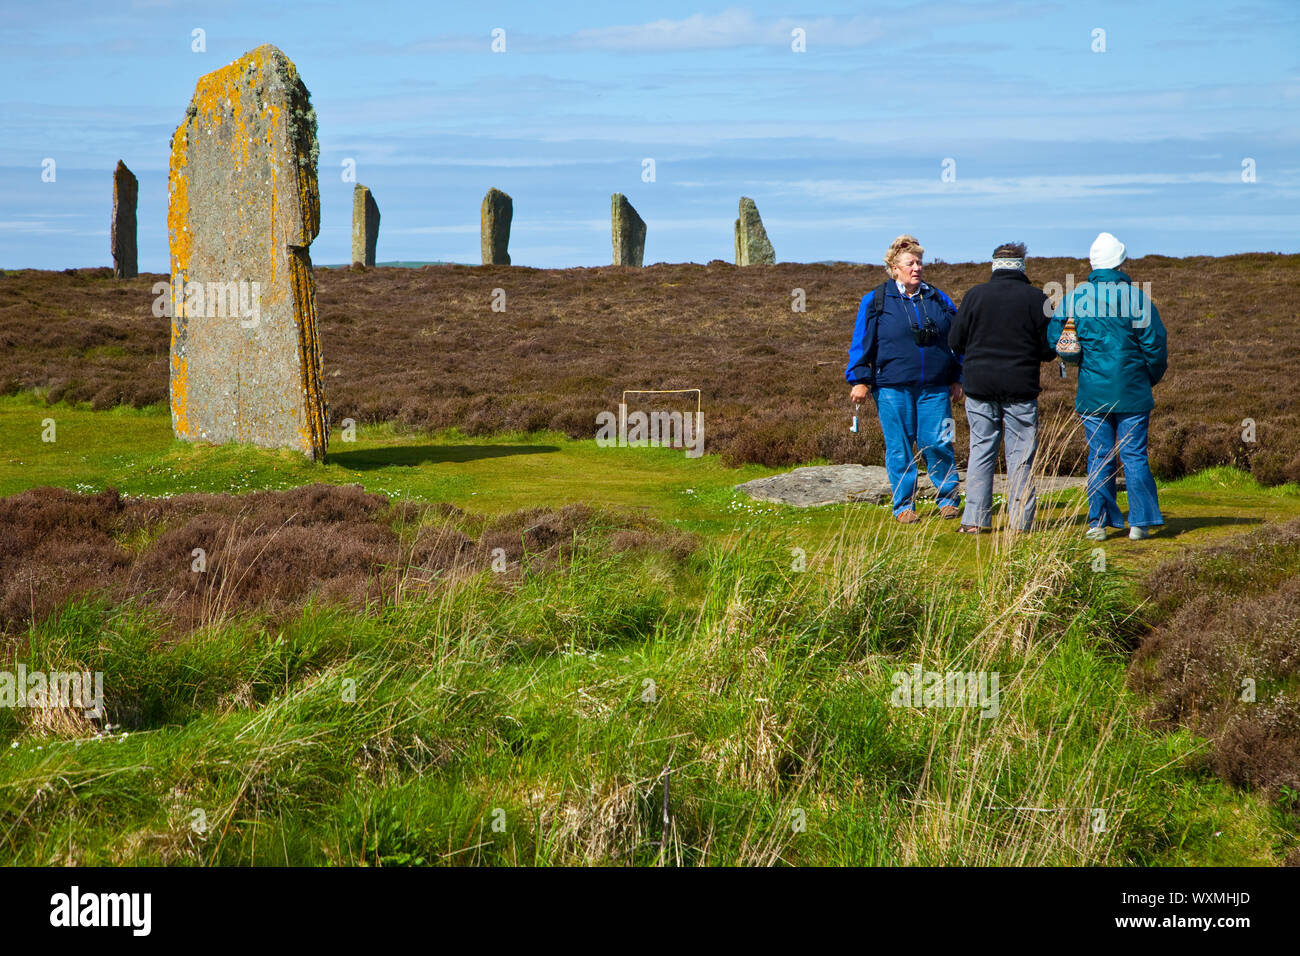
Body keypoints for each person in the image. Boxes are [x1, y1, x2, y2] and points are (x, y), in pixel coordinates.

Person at [1047, 232, 1168, 541]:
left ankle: (1097, 523)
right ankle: (1140, 523)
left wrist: (1077, 360)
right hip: (1132, 390)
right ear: (1120, 262)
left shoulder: (1075, 297)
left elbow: (1055, 338)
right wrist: (1148, 378)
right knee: (1135, 456)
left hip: (1092, 391)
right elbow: (1155, 346)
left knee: (1100, 456)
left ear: (1093, 263)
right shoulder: (1137, 298)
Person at [846, 234, 963, 523]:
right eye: (910, 263)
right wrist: (860, 380)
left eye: (920, 262)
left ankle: (948, 498)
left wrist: (958, 375)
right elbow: (861, 342)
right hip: (891, 388)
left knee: (939, 442)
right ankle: (904, 506)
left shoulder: (938, 298)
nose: (917, 268)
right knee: (899, 447)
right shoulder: (876, 300)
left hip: (935, 387)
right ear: (894, 268)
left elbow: (958, 339)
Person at [948, 242, 1057, 533]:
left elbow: (955, 340)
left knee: (981, 449)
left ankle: (974, 521)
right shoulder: (1038, 299)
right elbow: (1048, 350)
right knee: (1020, 455)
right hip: (1020, 387)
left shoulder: (974, 296)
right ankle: (1020, 523)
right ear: (1022, 266)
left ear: (994, 265)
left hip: (979, 386)